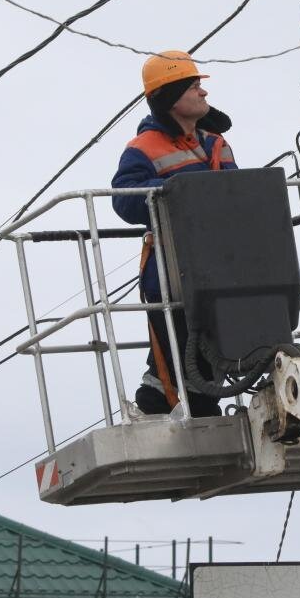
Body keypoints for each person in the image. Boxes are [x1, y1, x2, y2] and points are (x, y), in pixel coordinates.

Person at [112, 50, 238, 417]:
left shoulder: (216, 144)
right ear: (170, 97)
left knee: (205, 358)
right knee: (179, 357)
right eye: (194, 86)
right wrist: (178, 189)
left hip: (223, 269)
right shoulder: (143, 149)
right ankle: (166, 406)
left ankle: (172, 407)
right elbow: (124, 201)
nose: (203, 92)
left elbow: (238, 199)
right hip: (171, 272)